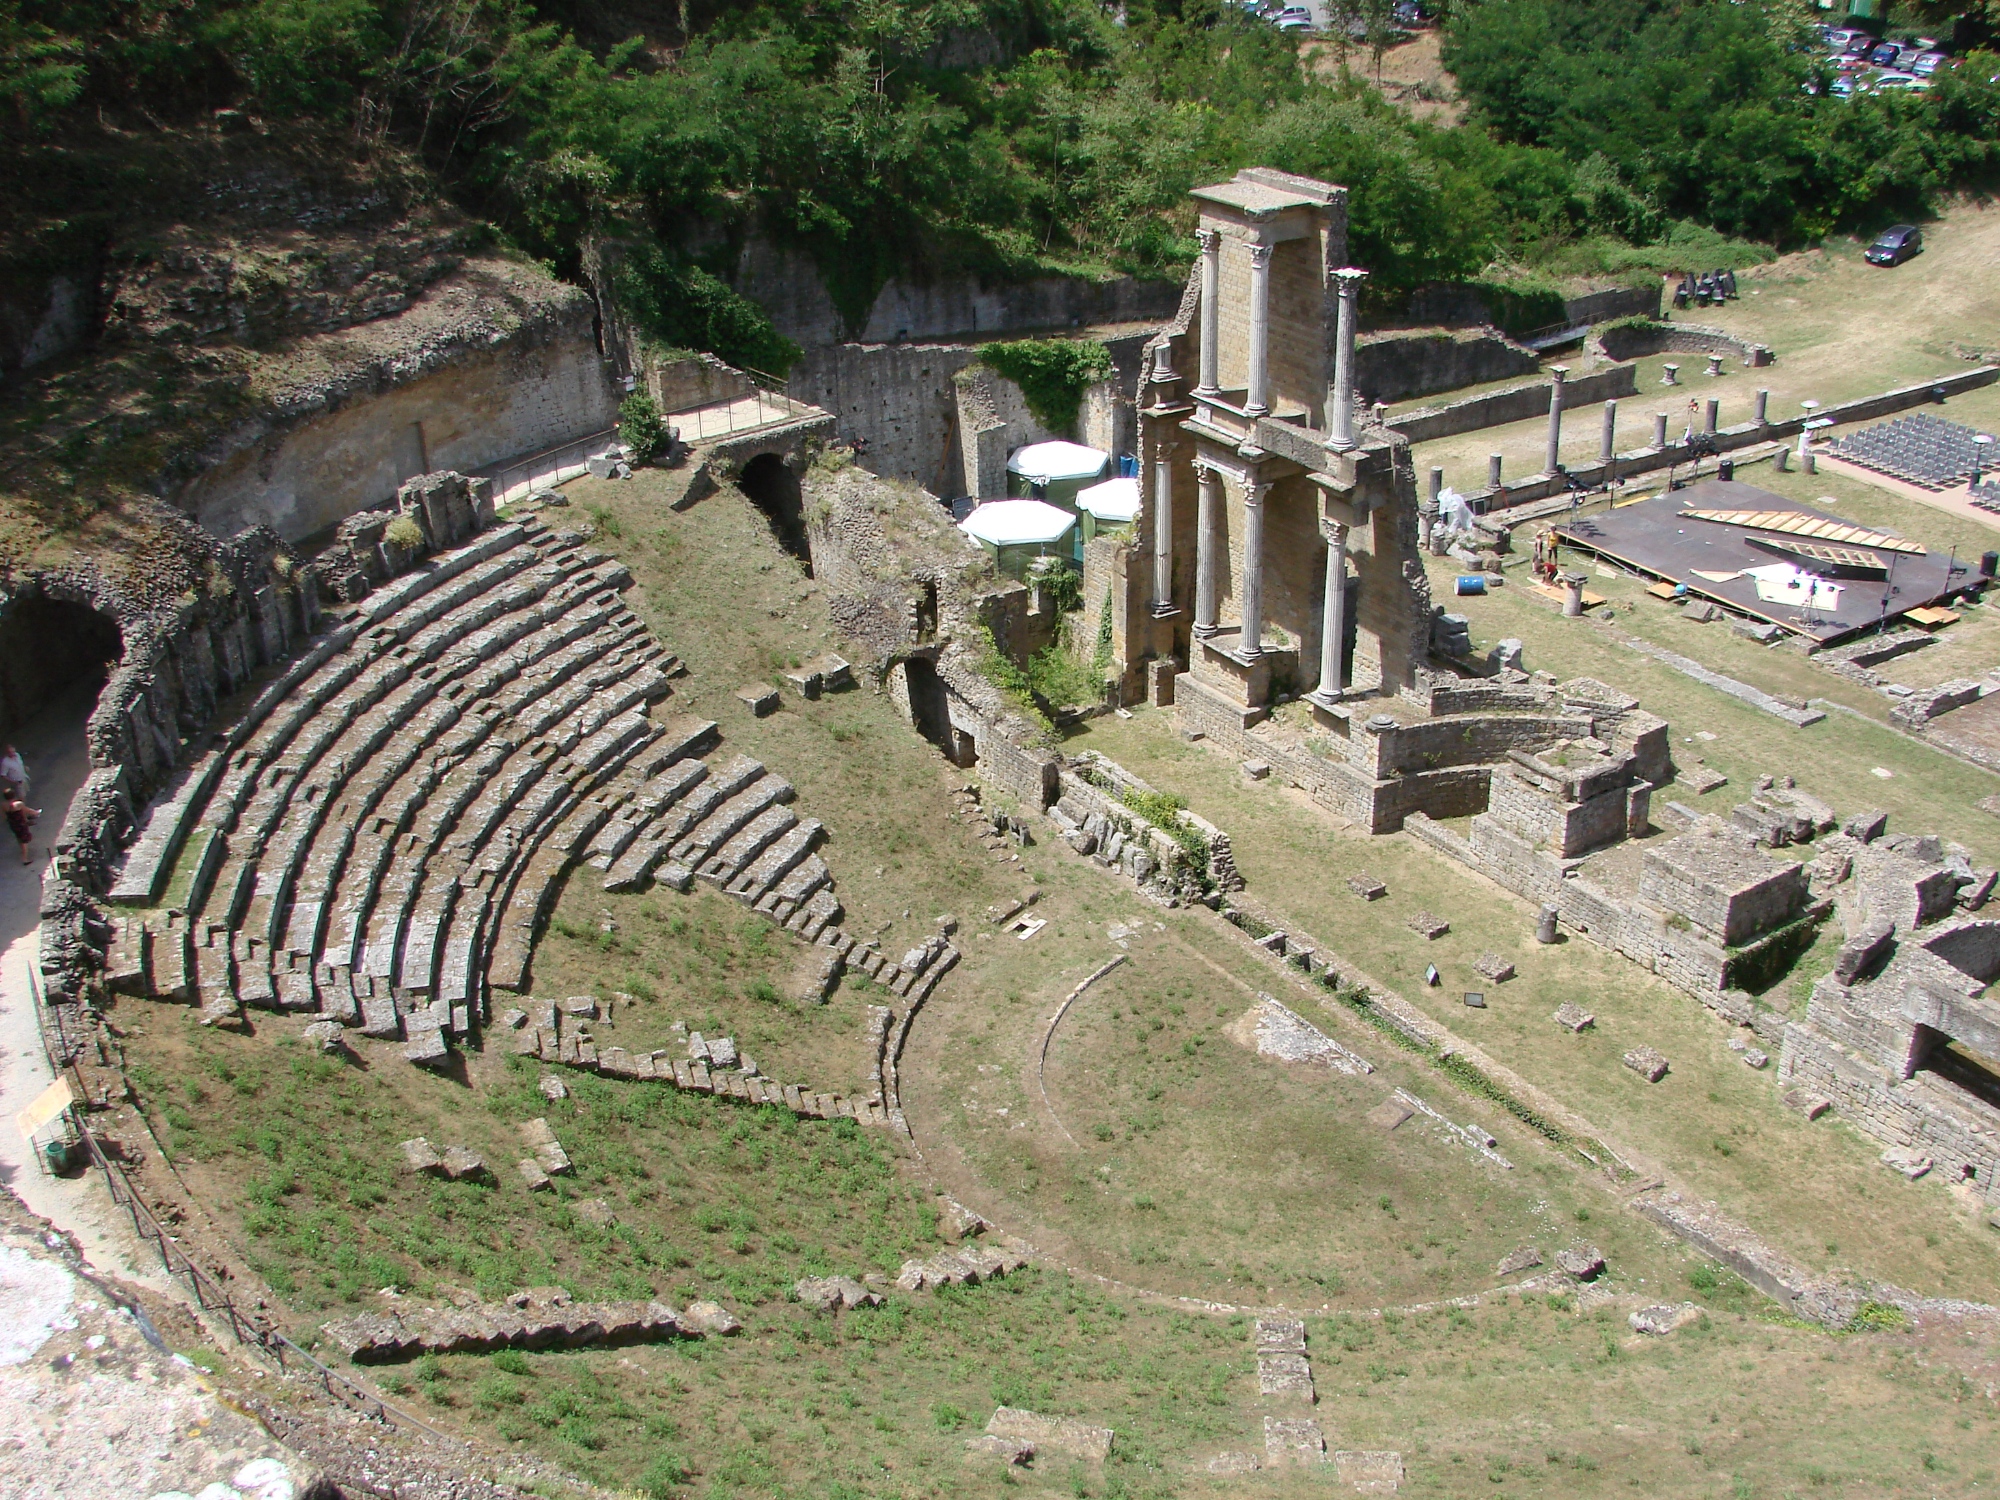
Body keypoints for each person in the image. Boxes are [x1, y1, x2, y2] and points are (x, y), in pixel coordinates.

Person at [4, 792, 38, 865]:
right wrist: (35, 812)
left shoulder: (3, 805)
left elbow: (4, 816)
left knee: (19, 837)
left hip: (13, 824)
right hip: (20, 824)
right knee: (24, 840)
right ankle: (25, 859)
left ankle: (22, 850)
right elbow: (27, 810)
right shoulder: (18, 804)